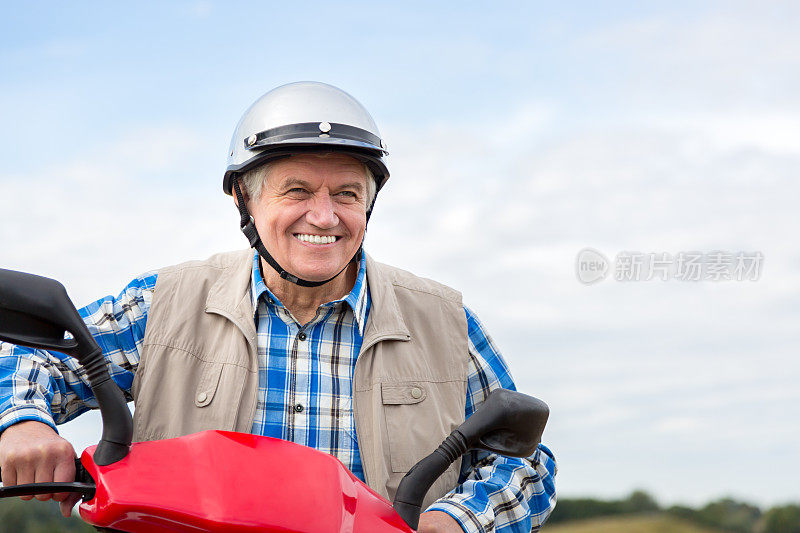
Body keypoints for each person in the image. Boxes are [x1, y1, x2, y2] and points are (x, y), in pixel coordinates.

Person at [0, 82, 556, 532]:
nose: (324, 216)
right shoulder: (160, 304)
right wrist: (22, 424)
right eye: (296, 192)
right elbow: (35, 362)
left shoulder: (445, 321)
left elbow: (524, 463)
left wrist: (454, 521)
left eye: (346, 194)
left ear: (369, 205)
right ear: (244, 198)